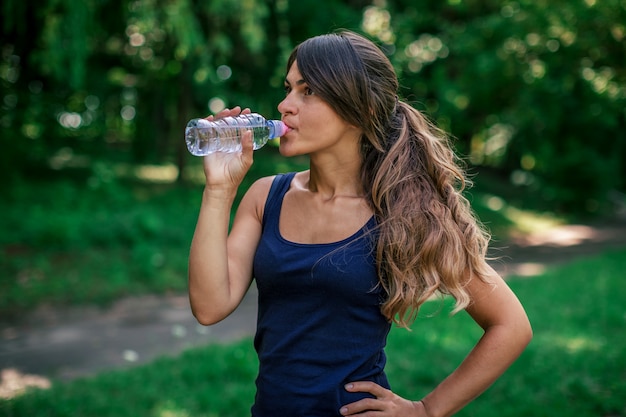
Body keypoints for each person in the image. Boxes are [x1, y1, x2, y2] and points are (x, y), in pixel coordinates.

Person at [188, 30, 532, 417]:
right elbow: (209, 306)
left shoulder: (403, 209)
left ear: (362, 109)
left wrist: (426, 409)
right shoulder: (266, 197)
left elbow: (510, 325)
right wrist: (219, 190)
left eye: (308, 91)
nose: (285, 105)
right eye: (288, 89)